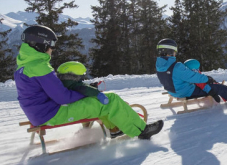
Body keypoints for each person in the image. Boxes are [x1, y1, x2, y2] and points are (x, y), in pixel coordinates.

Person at [14, 25, 163, 139]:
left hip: (38, 114)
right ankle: (141, 131)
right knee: (111, 99)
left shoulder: (24, 66)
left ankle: (115, 129)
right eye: (51, 44)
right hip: (52, 114)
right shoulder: (39, 66)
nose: (52, 49)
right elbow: (63, 97)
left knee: (100, 102)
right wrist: (88, 94)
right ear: (41, 44)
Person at [155, 38, 227, 105]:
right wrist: (207, 79)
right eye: (175, 52)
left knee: (209, 86)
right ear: (170, 51)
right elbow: (193, 77)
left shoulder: (159, 66)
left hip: (173, 92)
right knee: (219, 88)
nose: (175, 54)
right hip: (186, 92)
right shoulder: (176, 66)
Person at [56, 61, 125, 138]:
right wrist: (97, 93)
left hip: (72, 109)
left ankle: (86, 129)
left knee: (89, 106)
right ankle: (114, 130)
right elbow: (84, 88)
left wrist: (91, 87)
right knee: (104, 107)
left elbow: (80, 87)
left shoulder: (62, 84)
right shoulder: (76, 85)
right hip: (79, 111)